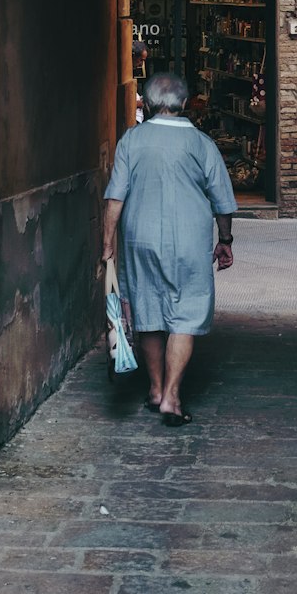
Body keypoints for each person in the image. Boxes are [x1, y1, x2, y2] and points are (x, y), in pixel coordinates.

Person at [101, 71, 238, 426]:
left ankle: (156, 389)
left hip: (139, 238)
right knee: (186, 314)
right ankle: (173, 397)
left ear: (146, 103)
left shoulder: (131, 140)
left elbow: (115, 197)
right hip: (190, 240)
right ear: (186, 103)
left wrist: (106, 245)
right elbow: (223, 202)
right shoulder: (202, 144)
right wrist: (225, 241)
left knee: (146, 307)